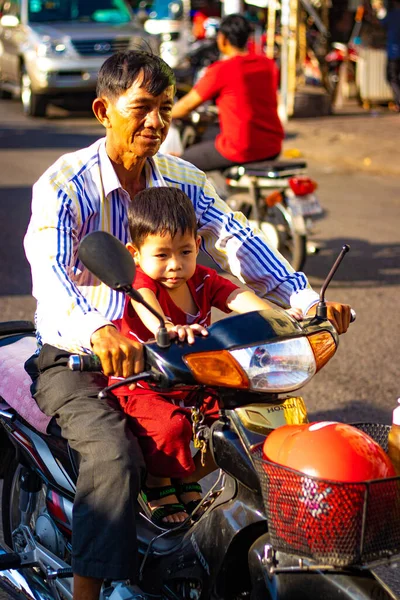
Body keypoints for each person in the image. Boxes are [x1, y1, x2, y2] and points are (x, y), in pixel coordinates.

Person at [23, 49, 351, 600]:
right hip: (79, 355)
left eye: (166, 109)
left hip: (171, 351)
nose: (156, 122)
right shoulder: (63, 187)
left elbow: (236, 241)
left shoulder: (183, 178)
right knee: (113, 455)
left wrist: (303, 302)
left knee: (249, 429)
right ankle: (88, 591)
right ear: (104, 110)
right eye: (141, 108)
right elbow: (52, 278)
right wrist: (99, 332)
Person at [109, 186, 303, 528]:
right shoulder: (141, 283)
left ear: (198, 246)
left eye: (185, 252)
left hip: (191, 381)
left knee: (235, 420)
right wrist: (166, 326)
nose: (175, 265)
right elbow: (148, 308)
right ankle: (155, 484)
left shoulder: (202, 279)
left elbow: (239, 297)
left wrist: (285, 319)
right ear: (135, 254)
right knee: (171, 428)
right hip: (142, 385)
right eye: (162, 255)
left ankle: (184, 479)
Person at [170, 13, 284, 171]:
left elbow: (187, 105)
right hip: (272, 145)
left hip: (241, 149)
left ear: (222, 39)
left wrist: (162, 114)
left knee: (179, 164)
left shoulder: (222, 69)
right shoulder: (268, 64)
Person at [377, 0, 400, 112]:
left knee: (392, 78)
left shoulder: (392, 15)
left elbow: (379, 23)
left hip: (394, 52)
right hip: (394, 51)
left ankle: (399, 102)